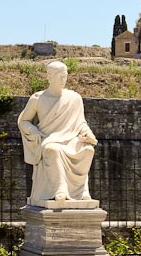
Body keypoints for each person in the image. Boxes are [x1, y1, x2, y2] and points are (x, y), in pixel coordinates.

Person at [18, 61, 98, 202]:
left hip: (71, 139)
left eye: (65, 76)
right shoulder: (38, 98)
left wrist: (88, 133)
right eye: (59, 76)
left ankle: (80, 192)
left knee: (88, 150)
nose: (63, 80)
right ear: (50, 76)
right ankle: (60, 189)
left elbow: (81, 123)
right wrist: (33, 130)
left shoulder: (74, 98)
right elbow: (23, 121)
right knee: (52, 149)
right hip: (49, 138)